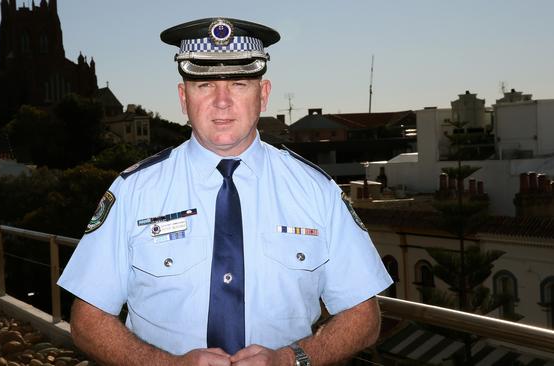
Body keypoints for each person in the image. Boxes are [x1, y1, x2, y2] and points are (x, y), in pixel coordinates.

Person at [58, 17, 392, 366]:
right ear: (183, 98)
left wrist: (292, 360)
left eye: (239, 83)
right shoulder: (134, 191)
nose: (222, 101)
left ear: (263, 95)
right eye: (204, 86)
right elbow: (86, 320)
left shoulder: (316, 191)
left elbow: (364, 317)